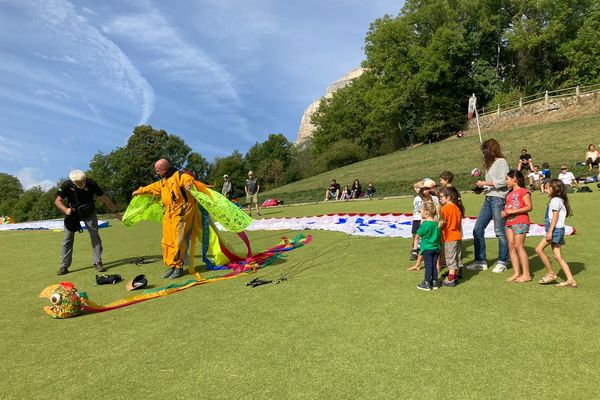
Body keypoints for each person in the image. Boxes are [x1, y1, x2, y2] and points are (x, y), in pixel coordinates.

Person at [132, 159, 199, 279]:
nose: (157, 173)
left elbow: (188, 180)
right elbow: (152, 187)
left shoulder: (180, 176)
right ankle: (171, 265)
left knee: (178, 240)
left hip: (182, 211)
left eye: (158, 170)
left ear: (164, 169)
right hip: (168, 213)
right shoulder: (163, 181)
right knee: (167, 240)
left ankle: (179, 267)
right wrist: (140, 191)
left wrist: (189, 184)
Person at [55, 170, 121, 275]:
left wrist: (116, 212)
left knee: (95, 237)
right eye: (78, 183)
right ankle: (64, 266)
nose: (81, 184)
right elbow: (57, 201)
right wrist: (65, 210)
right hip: (72, 214)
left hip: (89, 212)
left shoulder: (91, 183)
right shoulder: (67, 185)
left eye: (82, 181)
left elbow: (104, 198)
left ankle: (98, 262)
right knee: (67, 239)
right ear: (73, 182)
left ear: (85, 179)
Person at [466, 138, 510, 273]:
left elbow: (505, 181)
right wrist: (482, 187)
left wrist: (486, 183)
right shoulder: (489, 164)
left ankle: (503, 260)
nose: (484, 154)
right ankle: (480, 260)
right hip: (489, 198)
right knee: (477, 229)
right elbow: (491, 182)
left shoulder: (501, 162)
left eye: (485, 151)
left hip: (499, 199)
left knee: (499, 231)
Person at [535, 179, 576, 288]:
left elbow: (555, 216)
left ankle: (550, 273)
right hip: (558, 229)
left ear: (555, 189)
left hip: (555, 230)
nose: (546, 190)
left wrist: (550, 231)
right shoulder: (558, 200)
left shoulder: (555, 201)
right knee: (557, 256)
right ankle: (571, 280)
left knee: (538, 249)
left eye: (548, 188)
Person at [502, 170, 532, 283]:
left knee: (519, 246)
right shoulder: (508, 194)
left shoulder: (524, 192)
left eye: (507, 179)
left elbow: (529, 207)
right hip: (509, 222)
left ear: (514, 179)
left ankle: (527, 274)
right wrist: (505, 212)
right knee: (511, 246)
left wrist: (513, 211)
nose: (506, 181)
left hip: (520, 221)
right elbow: (508, 207)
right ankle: (517, 273)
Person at [438, 186, 464, 287]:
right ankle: (455, 276)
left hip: (449, 237)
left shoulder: (445, 208)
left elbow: (442, 222)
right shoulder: (457, 208)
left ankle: (450, 278)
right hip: (457, 236)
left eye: (441, 197)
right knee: (457, 257)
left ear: (448, 197)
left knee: (450, 258)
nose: (440, 199)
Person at [415, 202, 441, 291]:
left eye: (421, 211)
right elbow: (439, 237)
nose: (420, 213)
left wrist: (415, 248)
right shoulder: (436, 224)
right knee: (434, 265)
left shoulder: (425, 224)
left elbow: (418, 235)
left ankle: (426, 283)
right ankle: (434, 282)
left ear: (426, 212)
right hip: (436, 248)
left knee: (428, 266)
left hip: (427, 249)